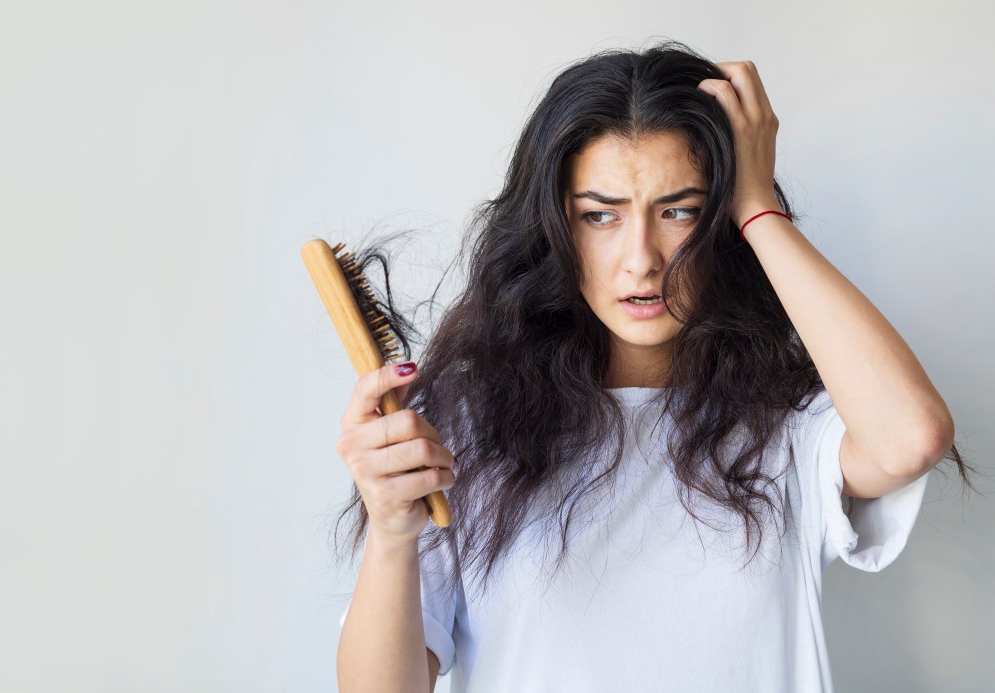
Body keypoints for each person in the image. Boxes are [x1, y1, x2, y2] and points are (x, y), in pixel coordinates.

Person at [331, 40, 975, 693]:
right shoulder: (466, 427)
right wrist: (389, 530)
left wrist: (757, 205)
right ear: (555, 225)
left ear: (720, 221)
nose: (642, 258)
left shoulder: (790, 427)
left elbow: (913, 434)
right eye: (600, 214)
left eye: (678, 211)